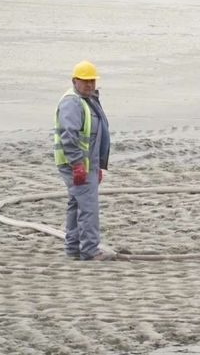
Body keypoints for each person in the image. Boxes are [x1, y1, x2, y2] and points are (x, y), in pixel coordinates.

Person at [53, 60, 114, 261]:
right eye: (85, 81)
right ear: (74, 81)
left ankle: (73, 248)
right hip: (76, 163)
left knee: (76, 202)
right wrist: (77, 164)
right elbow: (69, 136)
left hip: (87, 162)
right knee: (88, 206)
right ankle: (90, 250)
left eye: (92, 81)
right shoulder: (72, 102)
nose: (89, 85)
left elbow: (95, 137)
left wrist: (97, 166)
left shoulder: (89, 100)